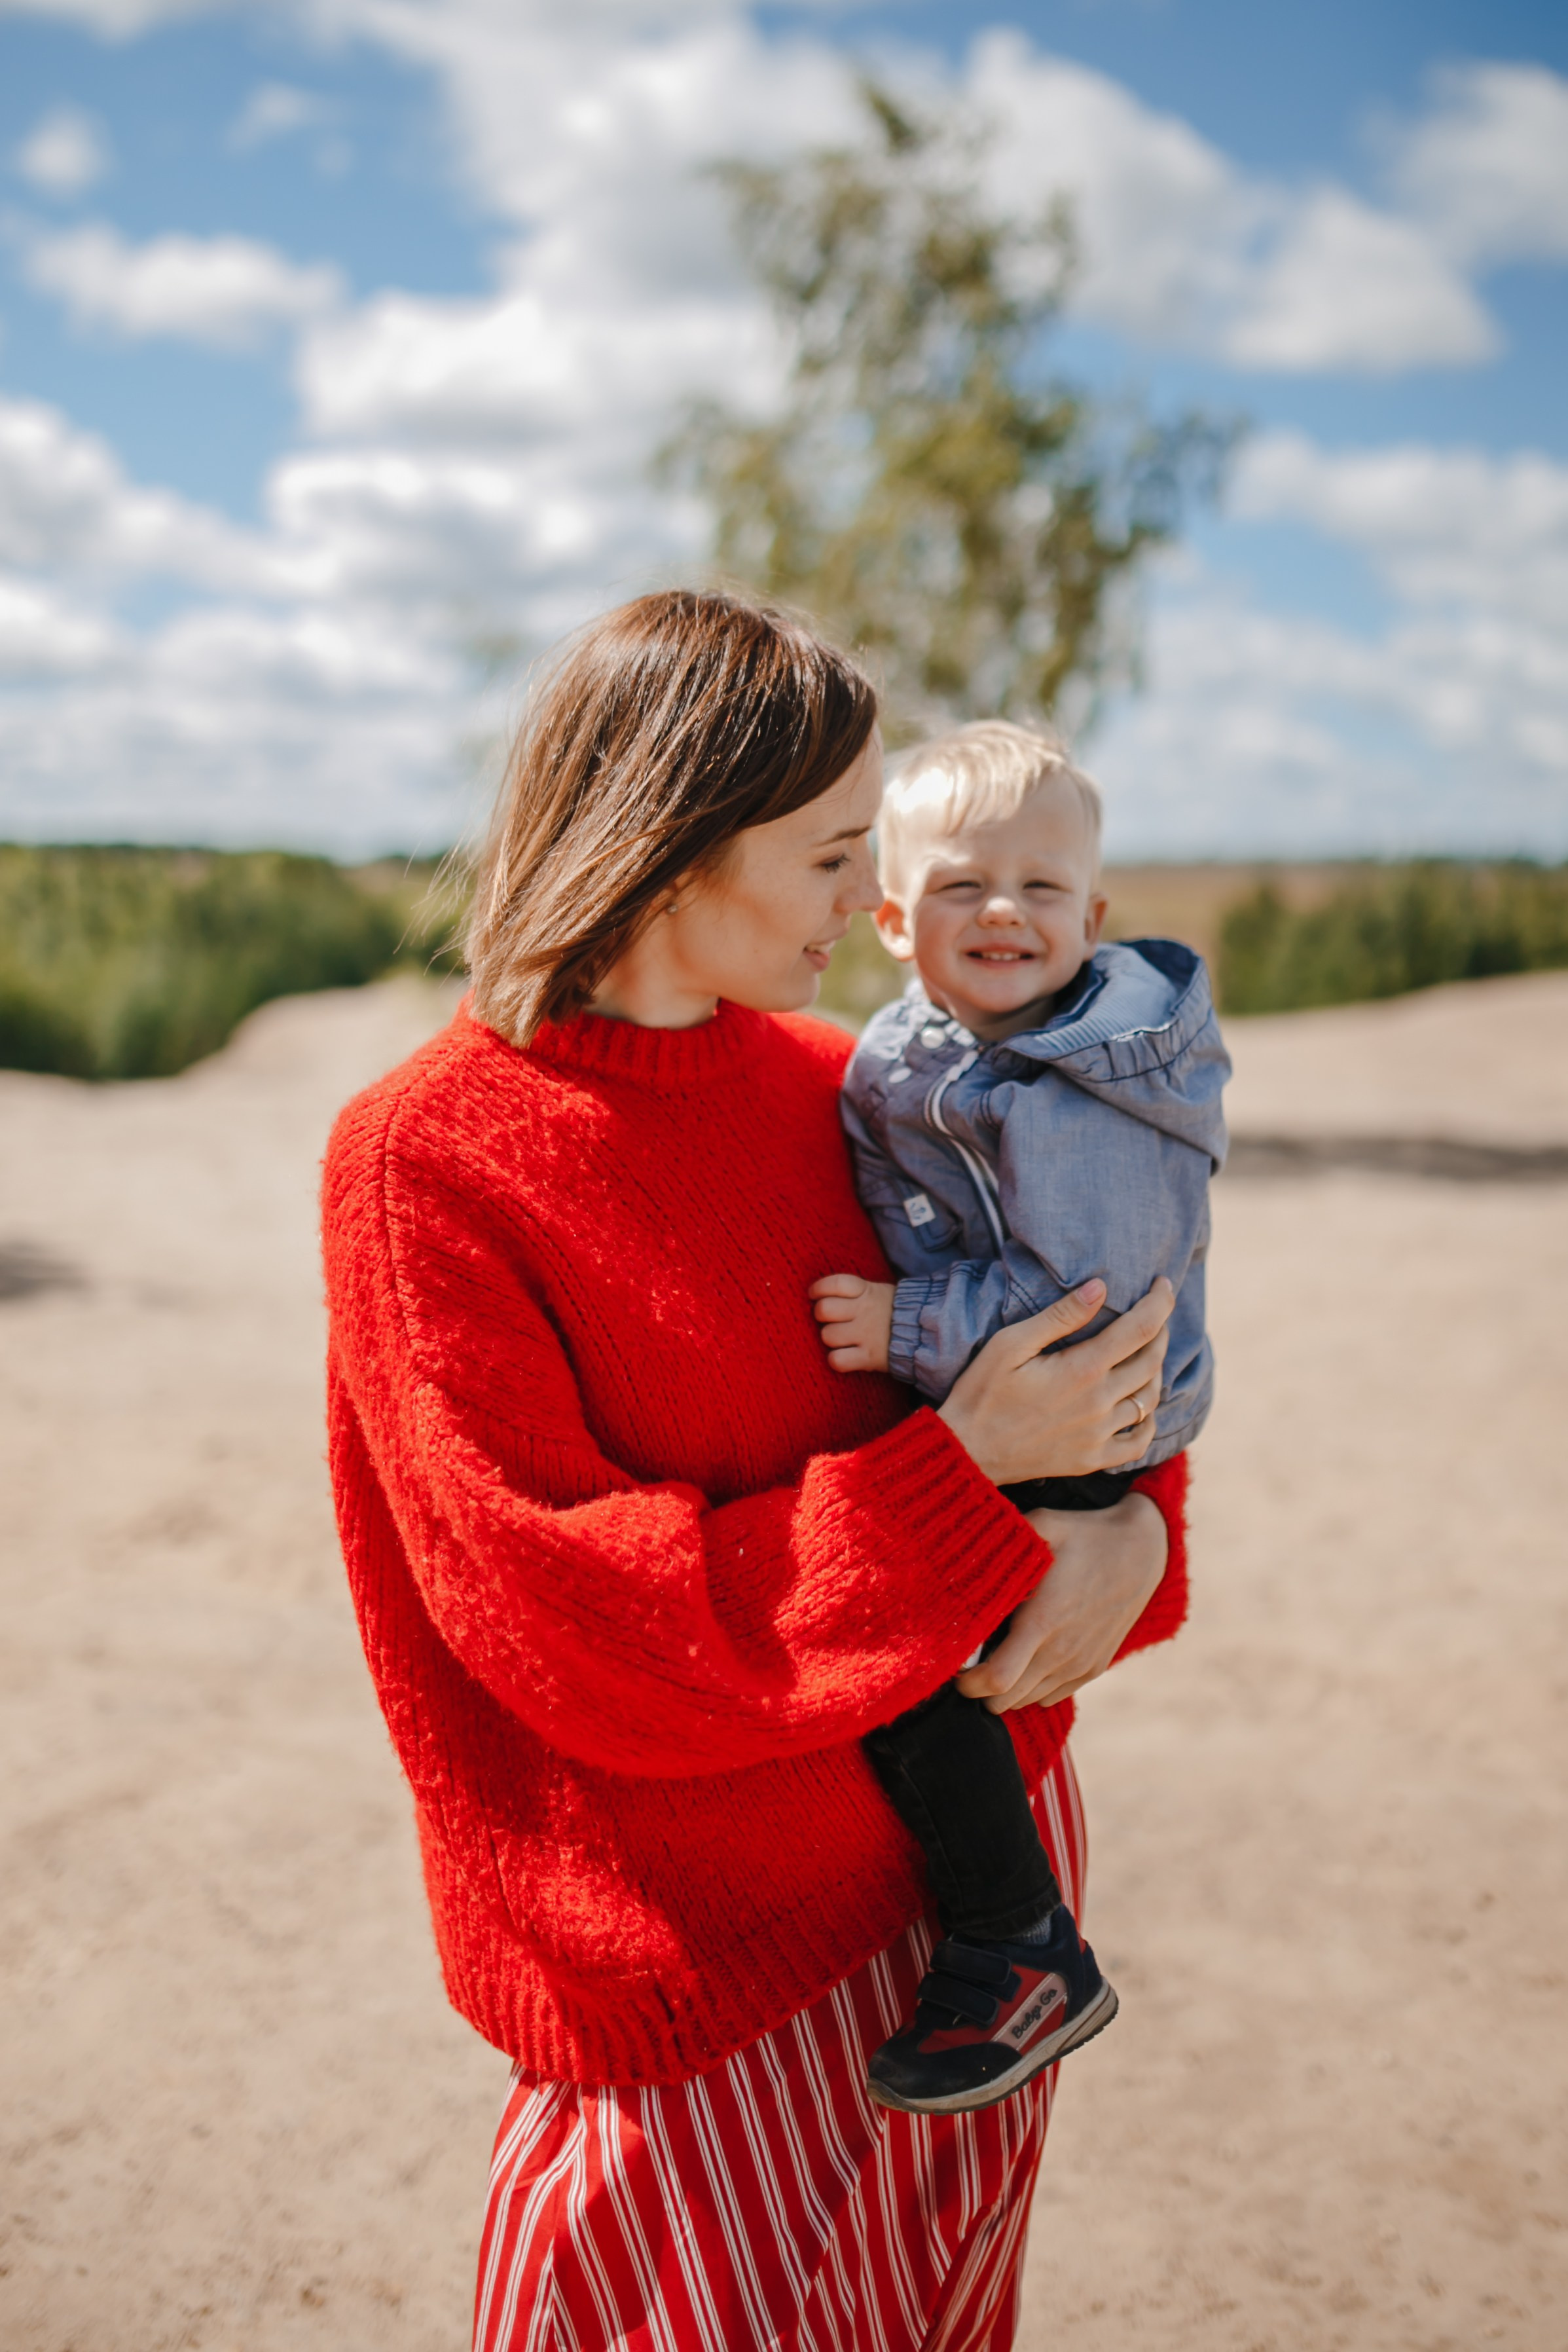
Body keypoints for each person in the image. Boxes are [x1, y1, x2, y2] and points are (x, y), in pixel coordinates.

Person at [321, 591, 1188, 2352]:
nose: (876, 911)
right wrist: (960, 1485)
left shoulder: (864, 1086)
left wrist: (1127, 1541)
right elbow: (568, 1620)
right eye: (832, 859)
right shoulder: (427, 1161)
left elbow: (1094, 1323)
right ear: (668, 851)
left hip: (990, 1913)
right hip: (702, 1949)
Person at [809, 721, 1229, 2118]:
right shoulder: (918, 1041)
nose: (1005, 912)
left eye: (1042, 890)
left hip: (1092, 1402)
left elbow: (1088, 1296)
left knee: (916, 1660)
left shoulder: (1087, 1092)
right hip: (1026, 1397)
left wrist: (905, 1328)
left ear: (1094, 916)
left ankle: (1018, 1941)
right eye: (960, 886)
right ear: (888, 919)